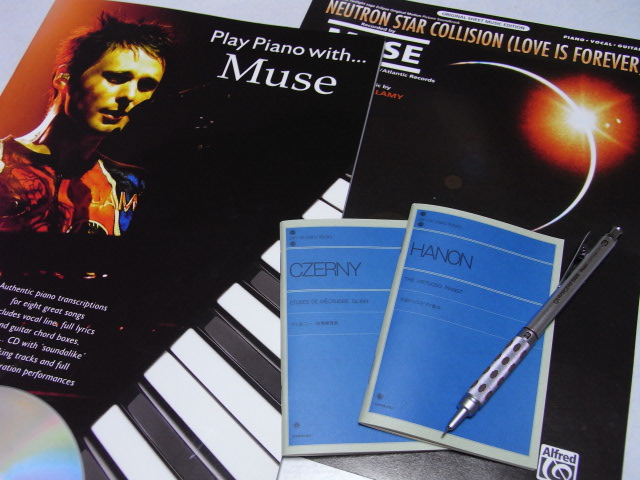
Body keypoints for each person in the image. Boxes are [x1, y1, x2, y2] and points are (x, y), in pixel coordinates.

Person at [0, 13, 173, 235]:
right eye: (116, 77)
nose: (130, 95)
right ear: (64, 77)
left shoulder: (132, 185)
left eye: (146, 86)